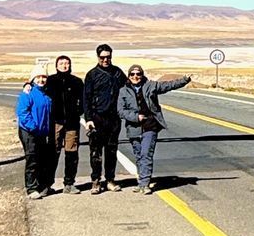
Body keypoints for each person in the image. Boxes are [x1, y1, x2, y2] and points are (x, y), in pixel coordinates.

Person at [120, 63, 192, 193]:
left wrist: (184, 80)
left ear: (142, 75)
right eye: (132, 74)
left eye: (138, 74)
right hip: (134, 128)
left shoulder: (151, 85)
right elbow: (121, 110)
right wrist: (136, 117)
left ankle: (144, 184)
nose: (135, 76)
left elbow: (167, 86)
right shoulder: (123, 91)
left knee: (146, 154)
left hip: (150, 126)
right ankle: (141, 181)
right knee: (138, 156)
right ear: (129, 75)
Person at [81, 44, 130, 191]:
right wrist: (88, 119)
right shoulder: (92, 75)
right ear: (98, 57)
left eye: (108, 57)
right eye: (102, 57)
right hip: (97, 118)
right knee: (95, 151)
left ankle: (110, 180)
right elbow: (86, 98)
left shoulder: (117, 73)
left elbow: (129, 87)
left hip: (114, 119)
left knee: (111, 150)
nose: (105, 60)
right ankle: (96, 180)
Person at [43, 53, 84, 193]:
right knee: (52, 153)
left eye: (67, 63)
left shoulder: (77, 82)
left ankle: (69, 183)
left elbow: (83, 100)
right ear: (56, 66)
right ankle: (47, 184)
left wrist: (78, 111)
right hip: (55, 122)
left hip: (72, 123)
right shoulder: (50, 81)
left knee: (71, 153)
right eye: (61, 63)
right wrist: (26, 85)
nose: (64, 65)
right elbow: (37, 86)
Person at [14, 69, 55, 197]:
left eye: (44, 77)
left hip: (42, 132)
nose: (41, 80)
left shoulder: (47, 94)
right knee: (32, 159)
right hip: (29, 132)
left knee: (42, 159)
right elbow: (23, 113)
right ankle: (31, 188)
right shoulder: (28, 93)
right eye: (38, 77)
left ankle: (42, 186)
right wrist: (33, 127)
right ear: (32, 79)